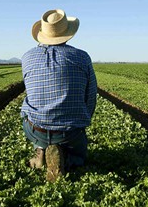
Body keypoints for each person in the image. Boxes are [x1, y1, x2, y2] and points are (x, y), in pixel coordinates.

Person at [21, 9, 97, 182]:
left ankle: (40, 149)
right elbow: (91, 97)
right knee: (80, 155)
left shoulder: (27, 58)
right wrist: (82, 122)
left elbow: (31, 93)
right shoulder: (82, 57)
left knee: (26, 112)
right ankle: (69, 159)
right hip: (70, 133)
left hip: (36, 129)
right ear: (68, 33)